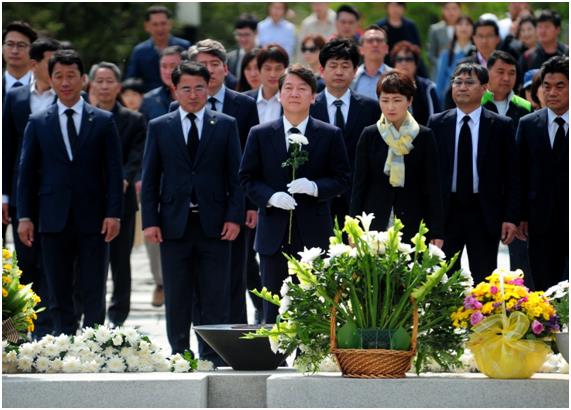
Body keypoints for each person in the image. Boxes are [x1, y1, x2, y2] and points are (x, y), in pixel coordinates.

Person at [141, 62, 243, 365]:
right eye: (186, 87)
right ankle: (179, 354)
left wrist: (234, 216)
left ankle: (212, 355)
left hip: (215, 225)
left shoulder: (225, 124)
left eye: (199, 87)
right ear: (175, 89)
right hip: (174, 225)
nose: (193, 93)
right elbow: (150, 178)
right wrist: (150, 221)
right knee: (177, 295)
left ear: (208, 87)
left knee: (214, 295)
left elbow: (235, 178)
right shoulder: (160, 126)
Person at [17, 49, 123, 335]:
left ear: (83, 79)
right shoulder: (38, 122)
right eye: (59, 76)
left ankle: (94, 340)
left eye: (71, 76)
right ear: (50, 79)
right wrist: (25, 216)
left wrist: (114, 213)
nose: (65, 82)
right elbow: (26, 174)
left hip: (94, 217)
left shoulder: (102, 120)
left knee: (93, 284)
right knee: (57, 285)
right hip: (52, 217)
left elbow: (114, 172)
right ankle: (61, 340)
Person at [239, 65, 351, 323]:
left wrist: (314, 187)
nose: (294, 94)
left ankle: (308, 358)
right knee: (272, 305)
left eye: (302, 89)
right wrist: (269, 197)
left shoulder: (329, 134)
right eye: (288, 88)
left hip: (313, 233)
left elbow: (343, 178)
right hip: (272, 234)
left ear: (313, 97)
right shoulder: (260, 134)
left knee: (312, 303)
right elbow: (246, 178)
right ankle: (271, 357)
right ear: (279, 95)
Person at [184, 39, 260, 324]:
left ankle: (235, 341)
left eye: (215, 64)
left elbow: (252, 159)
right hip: (193, 206)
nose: (210, 71)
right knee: (196, 277)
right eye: (203, 65)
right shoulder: (177, 105)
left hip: (233, 203)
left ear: (226, 69)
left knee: (234, 275)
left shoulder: (243, 105)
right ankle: (203, 338)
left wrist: (250, 205)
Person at [427, 63, 520, 283]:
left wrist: (511, 217)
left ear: (485, 88)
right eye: (457, 82)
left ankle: (483, 318)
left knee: (485, 279)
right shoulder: (437, 123)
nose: (462, 87)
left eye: (469, 82)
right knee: (445, 279)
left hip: (484, 212)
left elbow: (512, 175)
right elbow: (429, 177)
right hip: (447, 212)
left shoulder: (501, 125)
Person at [2, 37, 61, 338]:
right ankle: (23, 330)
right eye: (49, 63)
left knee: (55, 262)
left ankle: (53, 327)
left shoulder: (67, 98)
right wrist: (5, 195)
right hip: (22, 193)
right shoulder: (15, 98)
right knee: (25, 263)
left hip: (57, 195)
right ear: (35, 64)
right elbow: (7, 150)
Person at [351, 70, 444, 244]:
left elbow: (433, 186)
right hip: (374, 221)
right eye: (385, 100)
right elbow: (359, 186)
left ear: (409, 101)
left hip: (414, 222)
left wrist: (437, 230)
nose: (390, 107)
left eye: (397, 100)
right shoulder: (370, 134)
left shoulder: (424, 136)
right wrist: (354, 228)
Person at [89, 62, 146, 328]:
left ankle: (117, 315)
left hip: (122, 200)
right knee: (87, 261)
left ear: (119, 86)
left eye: (109, 81)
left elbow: (137, 155)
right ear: (91, 85)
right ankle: (89, 310)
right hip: (87, 200)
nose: (104, 86)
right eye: (99, 81)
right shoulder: (84, 116)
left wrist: (123, 178)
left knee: (120, 261)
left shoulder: (133, 120)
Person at [310, 39, 380, 226]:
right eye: (333, 66)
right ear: (322, 70)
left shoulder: (371, 108)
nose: (339, 72)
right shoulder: (308, 107)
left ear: (355, 70)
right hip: (317, 199)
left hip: (358, 200)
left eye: (345, 66)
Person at [480, 50, 532, 285]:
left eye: (511, 73)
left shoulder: (524, 107)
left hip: (515, 191)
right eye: (500, 71)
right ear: (487, 73)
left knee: (521, 264)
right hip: (484, 192)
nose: (506, 78)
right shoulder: (475, 103)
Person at [517, 56, 569, 291]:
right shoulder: (528, 124)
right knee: (543, 285)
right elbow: (519, 175)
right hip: (539, 220)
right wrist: (519, 216)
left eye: (560, 86)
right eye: (546, 86)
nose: (552, 92)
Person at [124, 5, 190, 92]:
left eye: (163, 23)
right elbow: (131, 81)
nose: (160, 28)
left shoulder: (184, 46)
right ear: (147, 26)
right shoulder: (139, 51)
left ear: (170, 24)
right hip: (150, 101)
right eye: (155, 24)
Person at [442, 19, 501, 109]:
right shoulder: (463, 65)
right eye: (480, 36)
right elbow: (451, 96)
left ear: (497, 39)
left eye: (489, 36)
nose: (484, 41)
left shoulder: (507, 64)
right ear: (474, 38)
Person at [391, 41, 441, 126]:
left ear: (416, 64)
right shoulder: (387, 87)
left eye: (409, 59)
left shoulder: (428, 88)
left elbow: (436, 119)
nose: (404, 63)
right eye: (399, 59)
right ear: (394, 64)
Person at [244, 44, 288, 124]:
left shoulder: (291, 100)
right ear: (259, 70)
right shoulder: (244, 101)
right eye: (267, 68)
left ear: (285, 70)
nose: (273, 74)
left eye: (278, 68)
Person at [435, 16, 474, 104]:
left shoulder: (477, 52)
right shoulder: (446, 54)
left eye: (467, 24)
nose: (464, 27)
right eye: (460, 24)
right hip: (449, 101)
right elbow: (440, 82)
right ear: (455, 29)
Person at [139, 46, 183, 121]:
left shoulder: (195, 95)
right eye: (164, 66)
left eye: (173, 66)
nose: (168, 72)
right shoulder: (149, 99)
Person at [352, 25, 391, 101]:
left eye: (379, 40)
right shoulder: (351, 78)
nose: (375, 44)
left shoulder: (398, 77)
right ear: (361, 49)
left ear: (386, 49)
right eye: (370, 41)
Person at [2, 21, 37, 100]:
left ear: (32, 49)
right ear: (2, 48)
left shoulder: (43, 87)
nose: (15, 51)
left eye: (21, 45)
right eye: (10, 44)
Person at [427, 3, 462, 81]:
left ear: (459, 10)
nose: (451, 12)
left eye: (454, 8)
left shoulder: (465, 28)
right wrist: (442, 64)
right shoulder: (435, 29)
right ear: (443, 10)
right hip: (439, 74)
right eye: (447, 9)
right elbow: (431, 54)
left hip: (461, 72)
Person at [227, 14, 258, 81]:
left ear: (256, 33)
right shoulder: (230, 58)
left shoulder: (264, 55)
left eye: (246, 35)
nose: (243, 39)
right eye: (239, 35)